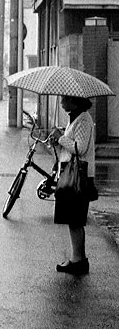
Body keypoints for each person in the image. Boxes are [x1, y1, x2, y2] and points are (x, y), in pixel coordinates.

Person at [50, 95, 96, 275]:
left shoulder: (83, 119)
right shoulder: (75, 118)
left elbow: (80, 148)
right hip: (71, 174)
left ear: (74, 101)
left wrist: (61, 138)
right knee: (72, 219)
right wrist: (60, 137)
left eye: (64, 99)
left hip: (79, 176)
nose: (61, 102)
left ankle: (79, 261)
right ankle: (78, 258)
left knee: (75, 219)